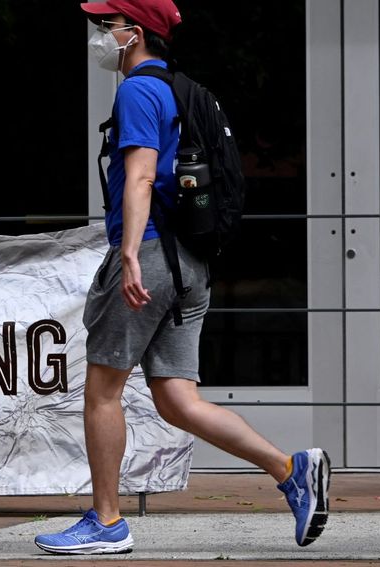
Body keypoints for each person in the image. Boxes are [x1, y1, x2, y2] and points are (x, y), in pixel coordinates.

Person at [34, 0, 331, 555]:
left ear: (134, 34)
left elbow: (141, 175)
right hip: (189, 265)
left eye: (107, 25)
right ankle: (291, 471)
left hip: (149, 257)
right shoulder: (180, 89)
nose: (99, 35)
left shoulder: (138, 91)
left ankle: (106, 522)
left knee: (102, 393)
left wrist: (127, 253)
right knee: (177, 400)